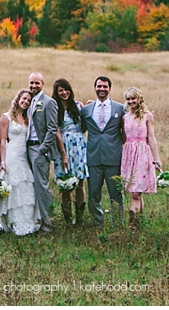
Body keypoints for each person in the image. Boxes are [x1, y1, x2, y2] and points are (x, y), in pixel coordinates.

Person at [0, 89, 40, 235]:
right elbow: (2, 141)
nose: (25, 102)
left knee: (26, 185)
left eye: (28, 101)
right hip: (11, 154)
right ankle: (10, 221)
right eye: (24, 99)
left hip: (23, 155)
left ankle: (26, 220)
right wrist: (2, 161)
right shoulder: (7, 117)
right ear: (18, 98)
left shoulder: (27, 118)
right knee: (13, 186)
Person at [80, 75, 126, 229]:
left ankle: (118, 225)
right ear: (95, 88)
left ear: (109, 89)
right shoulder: (86, 110)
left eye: (105, 86)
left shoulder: (119, 108)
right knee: (94, 195)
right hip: (93, 158)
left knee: (116, 194)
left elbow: (126, 130)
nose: (102, 89)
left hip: (113, 157)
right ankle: (98, 225)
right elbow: (80, 130)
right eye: (99, 86)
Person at [120, 87, 162, 230]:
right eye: (128, 99)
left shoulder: (147, 116)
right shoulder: (125, 117)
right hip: (129, 155)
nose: (131, 101)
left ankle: (132, 224)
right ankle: (140, 222)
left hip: (142, 155)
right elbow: (123, 138)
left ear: (139, 99)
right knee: (135, 190)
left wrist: (156, 159)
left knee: (136, 192)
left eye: (133, 98)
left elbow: (151, 138)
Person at [51, 78, 88, 226]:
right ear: (56, 92)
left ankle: (79, 219)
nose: (64, 93)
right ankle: (68, 220)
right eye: (61, 90)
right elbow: (56, 131)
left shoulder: (78, 106)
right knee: (65, 184)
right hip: (63, 146)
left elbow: (85, 125)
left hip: (78, 145)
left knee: (80, 183)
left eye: (66, 90)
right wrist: (63, 153)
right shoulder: (55, 108)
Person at [27, 72, 59, 233]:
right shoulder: (28, 101)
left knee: (41, 186)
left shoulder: (49, 102)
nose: (33, 86)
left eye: (37, 83)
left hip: (39, 148)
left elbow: (52, 129)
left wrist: (42, 149)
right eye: (31, 83)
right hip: (26, 148)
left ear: (43, 84)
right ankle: (34, 219)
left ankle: (48, 222)